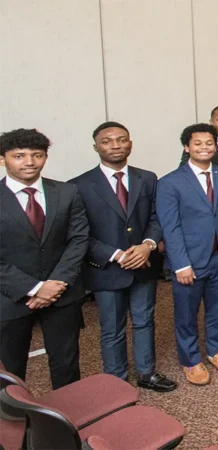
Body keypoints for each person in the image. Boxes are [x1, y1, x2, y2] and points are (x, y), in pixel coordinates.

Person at [70, 122, 174, 391]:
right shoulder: (79, 185)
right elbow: (80, 233)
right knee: (112, 328)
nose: (115, 145)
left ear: (130, 144)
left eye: (121, 139)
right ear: (96, 147)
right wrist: (116, 255)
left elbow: (156, 217)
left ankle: (146, 373)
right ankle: (116, 381)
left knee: (145, 320)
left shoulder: (147, 178)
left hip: (144, 264)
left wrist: (148, 245)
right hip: (106, 268)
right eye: (107, 141)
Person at [158, 123, 218, 385]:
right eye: (198, 143)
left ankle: (216, 350)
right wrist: (180, 264)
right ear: (187, 147)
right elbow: (170, 227)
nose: (204, 148)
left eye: (209, 143)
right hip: (189, 261)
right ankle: (190, 360)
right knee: (186, 314)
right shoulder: (169, 182)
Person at [0, 128, 88, 389]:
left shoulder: (67, 192)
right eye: (19, 156)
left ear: (45, 158)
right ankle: (13, 415)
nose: (29, 162)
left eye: (37, 155)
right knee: (10, 368)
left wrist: (55, 284)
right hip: (10, 297)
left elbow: (78, 239)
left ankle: (68, 412)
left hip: (62, 293)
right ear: (2, 159)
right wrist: (36, 288)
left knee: (66, 363)